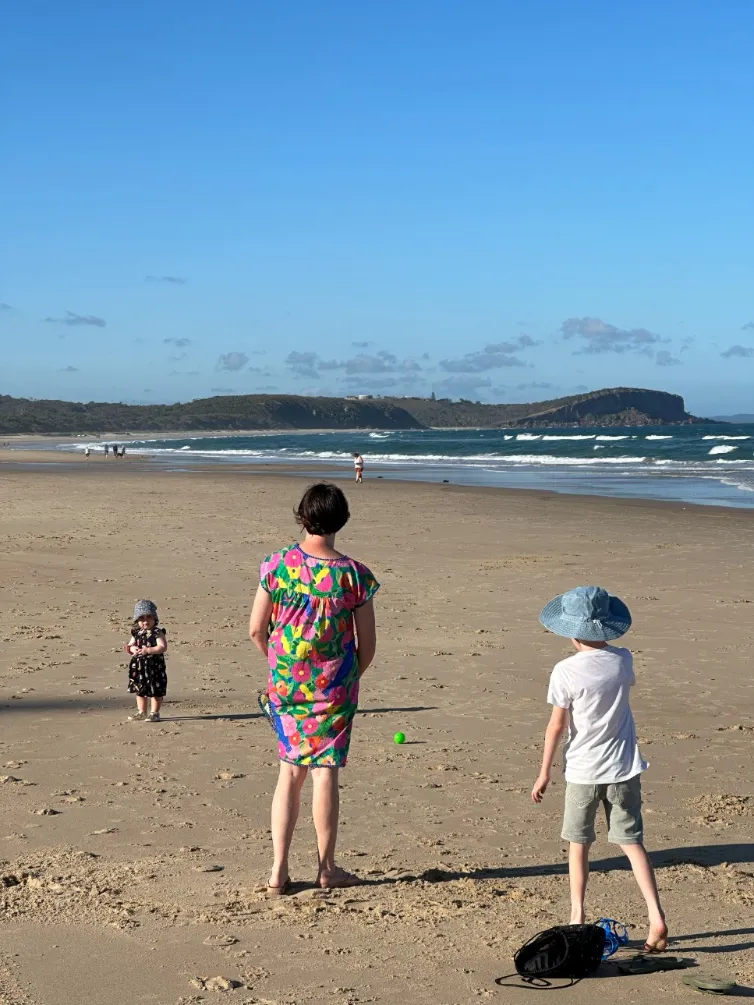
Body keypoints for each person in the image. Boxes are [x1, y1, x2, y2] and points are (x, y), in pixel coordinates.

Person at [249, 482, 379, 894]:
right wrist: (347, 677)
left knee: (289, 773)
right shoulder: (354, 575)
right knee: (325, 775)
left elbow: (256, 629)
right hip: (335, 688)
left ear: (302, 516)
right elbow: (368, 645)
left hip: (287, 686)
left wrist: (280, 665)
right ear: (341, 520)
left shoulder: (277, 565)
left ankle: (278, 871)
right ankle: (327, 868)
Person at [531, 586, 667, 952]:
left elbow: (556, 726)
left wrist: (544, 771)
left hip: (583, 772)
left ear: (570, 632)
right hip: (624, 768)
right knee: (632, 843)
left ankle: (577, 917)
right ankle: (656, 916)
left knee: (579, 845)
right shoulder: (623, 660)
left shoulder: (564, 672)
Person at [125, 600, 168, 722]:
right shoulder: (136, 633)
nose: (145, 621)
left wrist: (148, 650)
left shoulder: (157, 632)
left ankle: (155, 713)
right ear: (136, 620)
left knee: (156, 691)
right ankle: (141, 712)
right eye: (141, 618)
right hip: (139, 668)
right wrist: (133, 649)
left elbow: (162, 647)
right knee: (140, 691)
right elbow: (129, 646)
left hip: (154, 668)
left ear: (155, 618)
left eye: (149, 617)